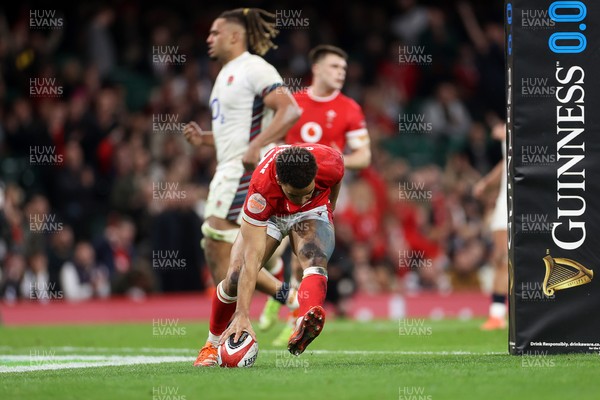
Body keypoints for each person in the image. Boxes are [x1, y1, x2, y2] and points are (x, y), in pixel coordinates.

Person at [182, 7, 302, 329]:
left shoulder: (254, 68)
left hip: (244, 170)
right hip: (232, 165)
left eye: (215, 33)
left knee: (214, 237)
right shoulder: (223, 75)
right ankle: (288, 296)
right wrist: (205, 139)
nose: (209, 38)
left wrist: (255, 146)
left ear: (235, 36)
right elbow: (235, 135)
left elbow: (290, 110)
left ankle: (224, 335)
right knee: (233, 251)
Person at [258, 45, 372, 344]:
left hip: (321, 191)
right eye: (335, 67)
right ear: (317, 68)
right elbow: (269, 142)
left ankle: (294, 313)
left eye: (344, 69)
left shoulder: (350, 108)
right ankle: (280, 292)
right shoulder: (293, 104)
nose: (341, 73)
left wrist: (331, 160)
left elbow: (364, 155)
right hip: (285, 187)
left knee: (304, 254)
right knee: (269, 250)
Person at [195, 144, 344, 366]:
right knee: (235, 276)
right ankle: (211, 345)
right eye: (295, 194)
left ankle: (304, 319)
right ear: (280, 183)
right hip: (272, 213)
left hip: (313, 209)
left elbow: (335, 181)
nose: (300, 200)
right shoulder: (260, 192)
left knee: (314, 258)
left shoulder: (330, 164)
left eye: (307, 191)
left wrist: (327, 209)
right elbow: (251, 259)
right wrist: (242, 314)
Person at [473, 122, 507, 330]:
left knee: (506, 259)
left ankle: (498, 314)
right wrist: (486, 183)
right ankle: (497, 314)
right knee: (502, 259)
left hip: (518, 205)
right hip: (505, 204)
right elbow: (506, 163)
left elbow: (498, 130)